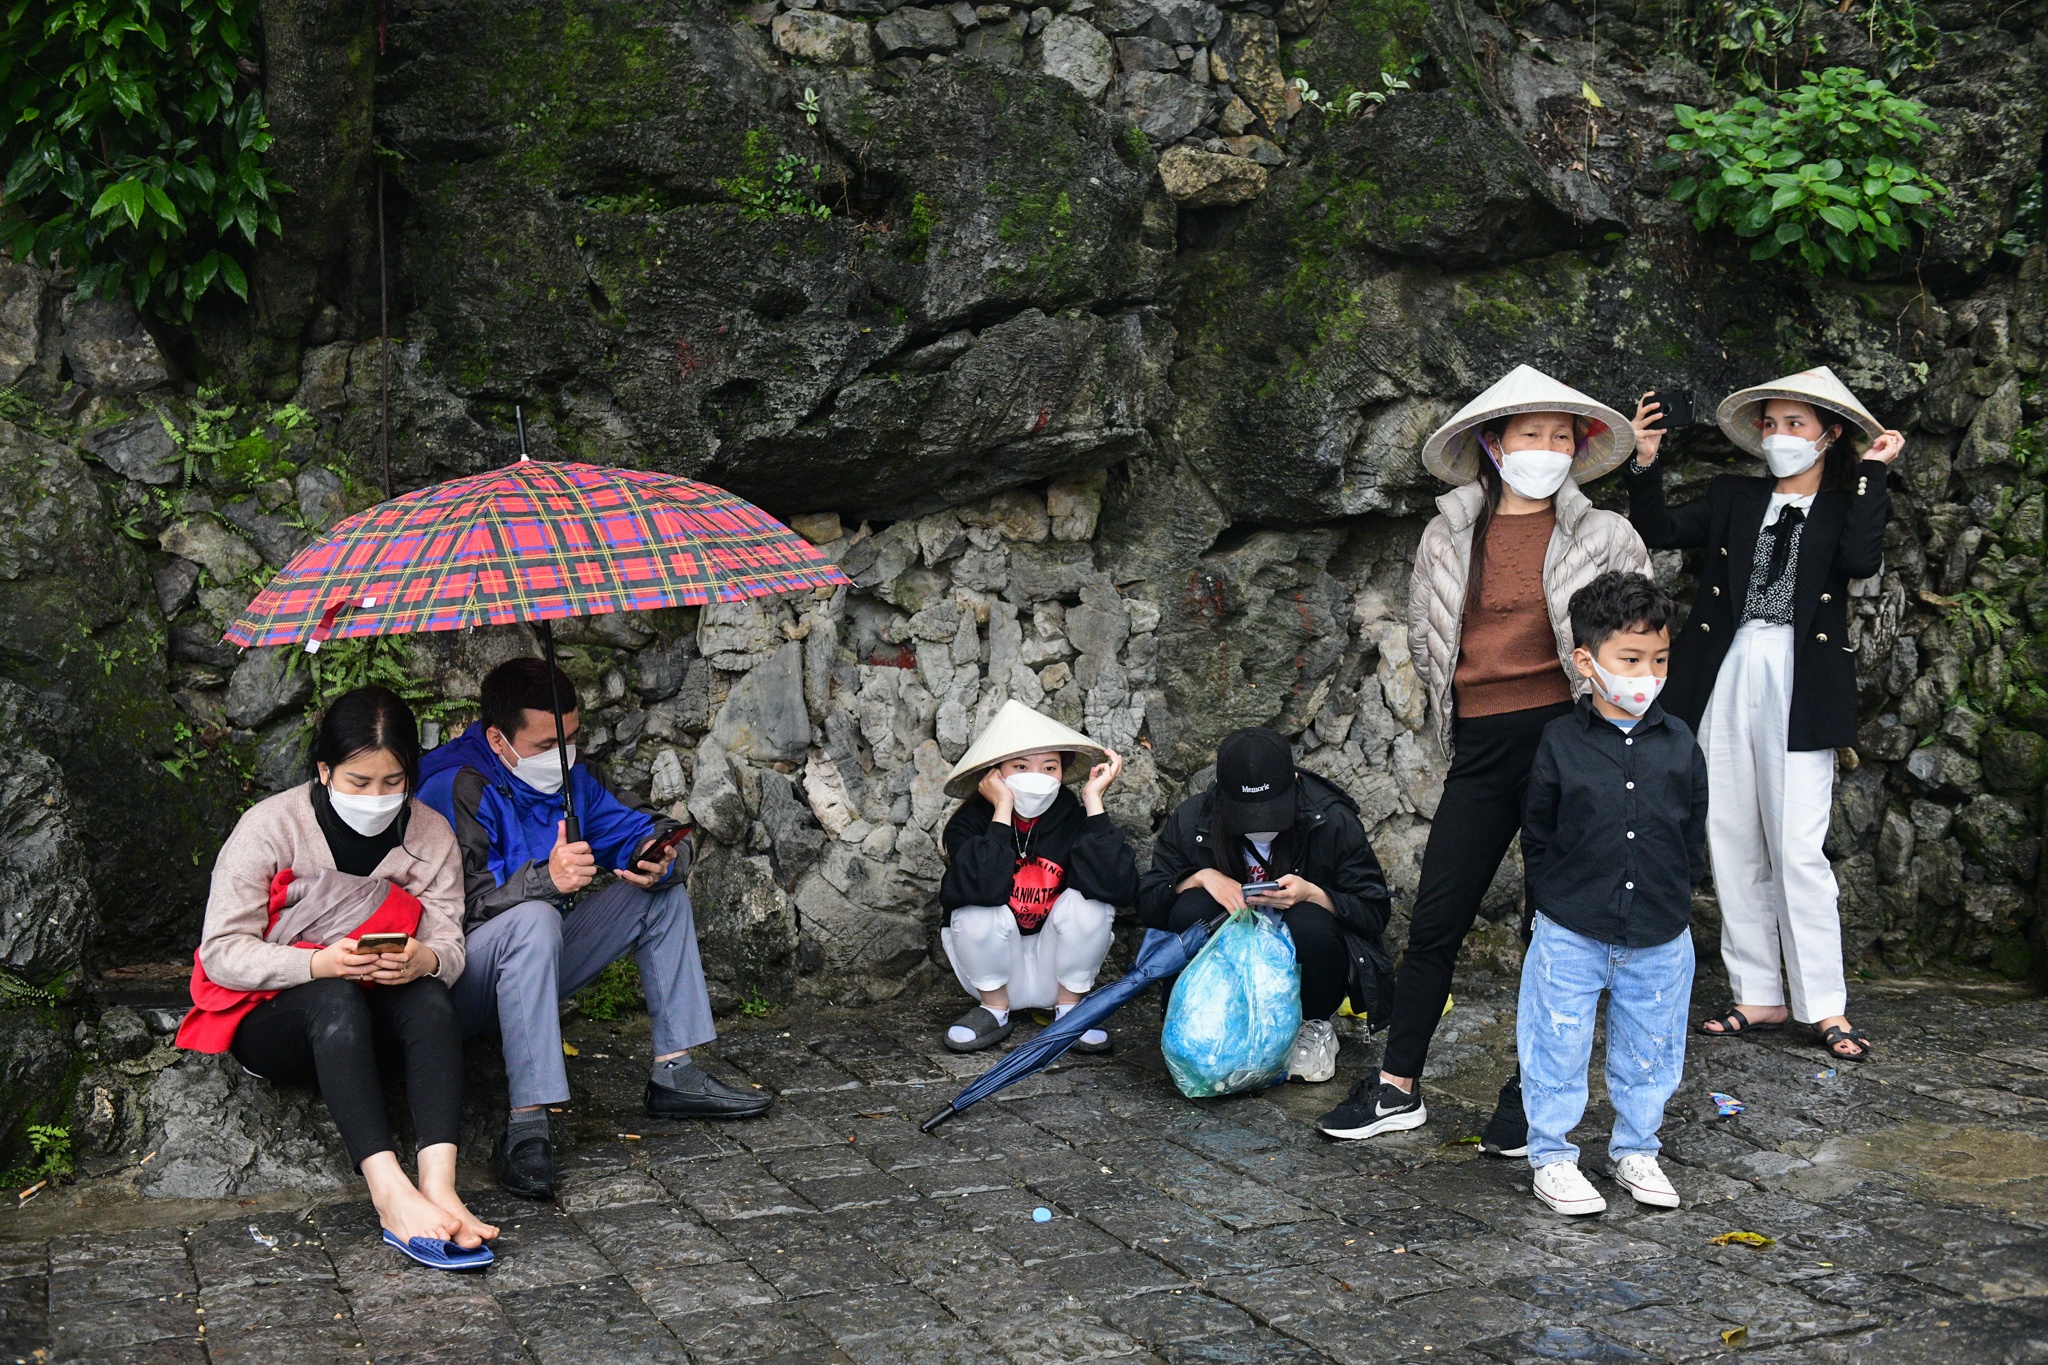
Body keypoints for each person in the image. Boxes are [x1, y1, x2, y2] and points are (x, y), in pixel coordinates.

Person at [1317, 365, 1650, 1147]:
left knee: (1553, 925)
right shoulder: (1448, 534)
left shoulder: (1606, 535)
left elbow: (1635, 645)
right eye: (1531, 434)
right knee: (1438, 914)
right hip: (1482, 742)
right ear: (1495, 445)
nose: (1548, 448)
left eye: (1562, 437)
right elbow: (1432, 639)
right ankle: (1398, 1084)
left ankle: (1534, 1090)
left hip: (1567, 740)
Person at [418, 656, 769, 1203]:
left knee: (657, 892)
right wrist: (544, 883)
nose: (562, 758)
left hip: (538, 965)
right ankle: (527, 1127)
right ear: (497, 738)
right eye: (543, 747)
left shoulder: (571, 778)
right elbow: (448, 917)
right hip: (458, 979)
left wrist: (660, 855)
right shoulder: (453, 786)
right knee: (533, 917)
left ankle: (675, 1073)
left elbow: (642, 825)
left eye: (572, 739)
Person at [1627, 367, 1902, 1063]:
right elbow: (1656, 526)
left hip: (1802, 676)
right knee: (1729, 832)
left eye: (1795, 425)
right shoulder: (1733, 496)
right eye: (1771, 424)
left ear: (1828, 434)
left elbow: (1862, 558)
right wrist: (1645, 461)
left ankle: (1825, 1005)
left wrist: (1872, 474)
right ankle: (1758, 993)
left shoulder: (1845, 504)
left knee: (1798, 845)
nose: (1779, 436)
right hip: (1729, 666)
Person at [177, 686, 496, 1268]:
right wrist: (317, 962)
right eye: (359, 782)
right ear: (325, 771)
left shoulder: (429, 835)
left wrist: (425, 960)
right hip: (282, 1022)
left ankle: (440, 1186)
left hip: (381, 1017)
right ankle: (389, 1193)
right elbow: (222, 950)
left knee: (427, 996)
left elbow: (449, 940)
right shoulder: (270, 828)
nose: (377, 796)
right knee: (334, 996)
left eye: (393, 781)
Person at [1516, 572, 1707, 1216]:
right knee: (1556, 1040)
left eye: (1659, 660)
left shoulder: (1680, 743)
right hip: (1572, 925)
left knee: (1652, 1044)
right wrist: (1548, 906)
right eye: (1630, 659)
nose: (1646, 674)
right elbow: (1537, 832)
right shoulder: (1560, 742)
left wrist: (1679, 897)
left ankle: (1637, 1148)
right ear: (1587, 661)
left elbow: (1692, 827)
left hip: (1658, 929)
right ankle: (1551, 1154)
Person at [1139, 726, 1392, 1084]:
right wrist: (1199, 877)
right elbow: (1148, 903)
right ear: (1222, 796)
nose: (1260, 826)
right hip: (1227, 972)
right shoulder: (1193, 819)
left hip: (1305, 960)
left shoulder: (1330, 819)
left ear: (1293, 783)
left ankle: (1312, 1026)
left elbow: (1375, 910)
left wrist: (1313, 894)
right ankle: (1206, 1017)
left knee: (1309, 920)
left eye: (1271, 812)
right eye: (1247, 815)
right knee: (1190, 904)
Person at [937, 701, 1138, 1053]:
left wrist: (1093, 801)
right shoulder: (968, 823)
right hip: (992, 970)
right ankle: (994, 1011)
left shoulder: (1070, 817)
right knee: (975, 904)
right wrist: (1001, 809)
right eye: (1020, 766)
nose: (1037, 776)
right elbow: (981, 886)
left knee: (1092, 903)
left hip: (1056, 968)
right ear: (995, 774)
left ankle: (1070, 1011)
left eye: (1049, 767)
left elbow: (1117, 886)